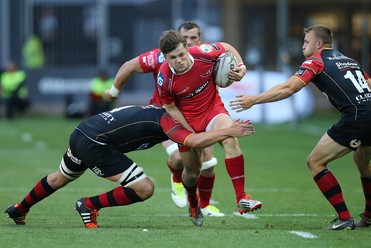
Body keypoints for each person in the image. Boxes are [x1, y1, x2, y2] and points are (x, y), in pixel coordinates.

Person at [229, 24, 371, 230]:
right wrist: (367, 118)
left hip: (356, 118)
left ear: (318, 44)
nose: (303, 46)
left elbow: (289, 87)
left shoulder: (315, 60)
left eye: (306, 41)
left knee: (315, 162)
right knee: (364, 164)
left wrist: (253, 100)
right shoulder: (350, 61)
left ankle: (344, 218)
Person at [4, 105, 255, 228]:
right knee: (145, 188)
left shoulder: (161, 112)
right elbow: (195, 140)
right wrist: (229, 131)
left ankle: (20, 209)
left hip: (82, 132)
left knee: (60, 178)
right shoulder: (169, 121)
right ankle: (88, 205)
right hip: (96, 143)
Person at [106, 21, 223, 217]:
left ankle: (205, 206)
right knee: (178, 157)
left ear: (199, 39)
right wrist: (114, 91)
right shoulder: (160, 57)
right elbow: (128, 66)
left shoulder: (205, 56)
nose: (188, 41)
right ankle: (176, 179)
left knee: (208, 165)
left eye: (193, 38)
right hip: (166, 116)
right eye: (184, 38)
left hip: (198, 115)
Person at [156, 30, 262, 226]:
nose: (179, 60)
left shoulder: (203, 52)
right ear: (165, 57)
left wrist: (242, 67)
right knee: (193, 173)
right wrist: (191, 134)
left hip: (212, 109)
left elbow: (227, 47)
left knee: (230, 137)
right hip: (186, 120)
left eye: (181, 54)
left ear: (187, 48)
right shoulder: (164, 77)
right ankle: (193, 203)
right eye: (173, 57)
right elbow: (170, 107)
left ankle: (241, 199)